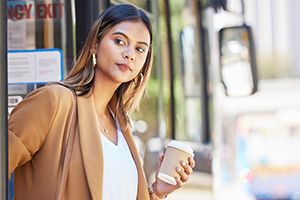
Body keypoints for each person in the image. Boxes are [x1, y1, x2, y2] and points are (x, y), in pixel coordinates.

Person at [8, 4, 195, 200]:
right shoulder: (55, 101)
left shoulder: (123, 126)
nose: (130, 54)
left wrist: (156, 191)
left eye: (140, 49)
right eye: (120, 41)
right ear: (94, 45)